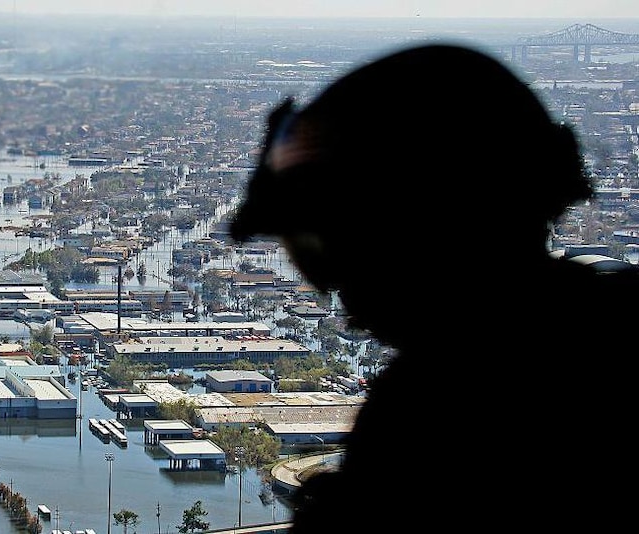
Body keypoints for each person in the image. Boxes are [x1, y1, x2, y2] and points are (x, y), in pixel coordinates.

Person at [230, 43, 637, 528]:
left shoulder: (435, 407)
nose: (339, 288)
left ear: (417, 229)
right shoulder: (608, 327)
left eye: (341, 245)